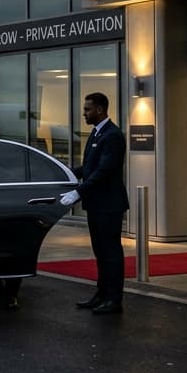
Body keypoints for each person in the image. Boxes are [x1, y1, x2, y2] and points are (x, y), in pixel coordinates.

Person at [60, 92, 130, 315]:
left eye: (88, 109)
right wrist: (64, 174)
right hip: (96, 204)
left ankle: (114, 299)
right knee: (100, 252)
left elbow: (104, 171)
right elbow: (89, 168)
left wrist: (78, 192)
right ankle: (101, 294)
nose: (84, 113)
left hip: (109, 205)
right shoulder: (96, 133)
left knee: (111, 253)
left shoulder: (113, 135)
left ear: (100, 110)